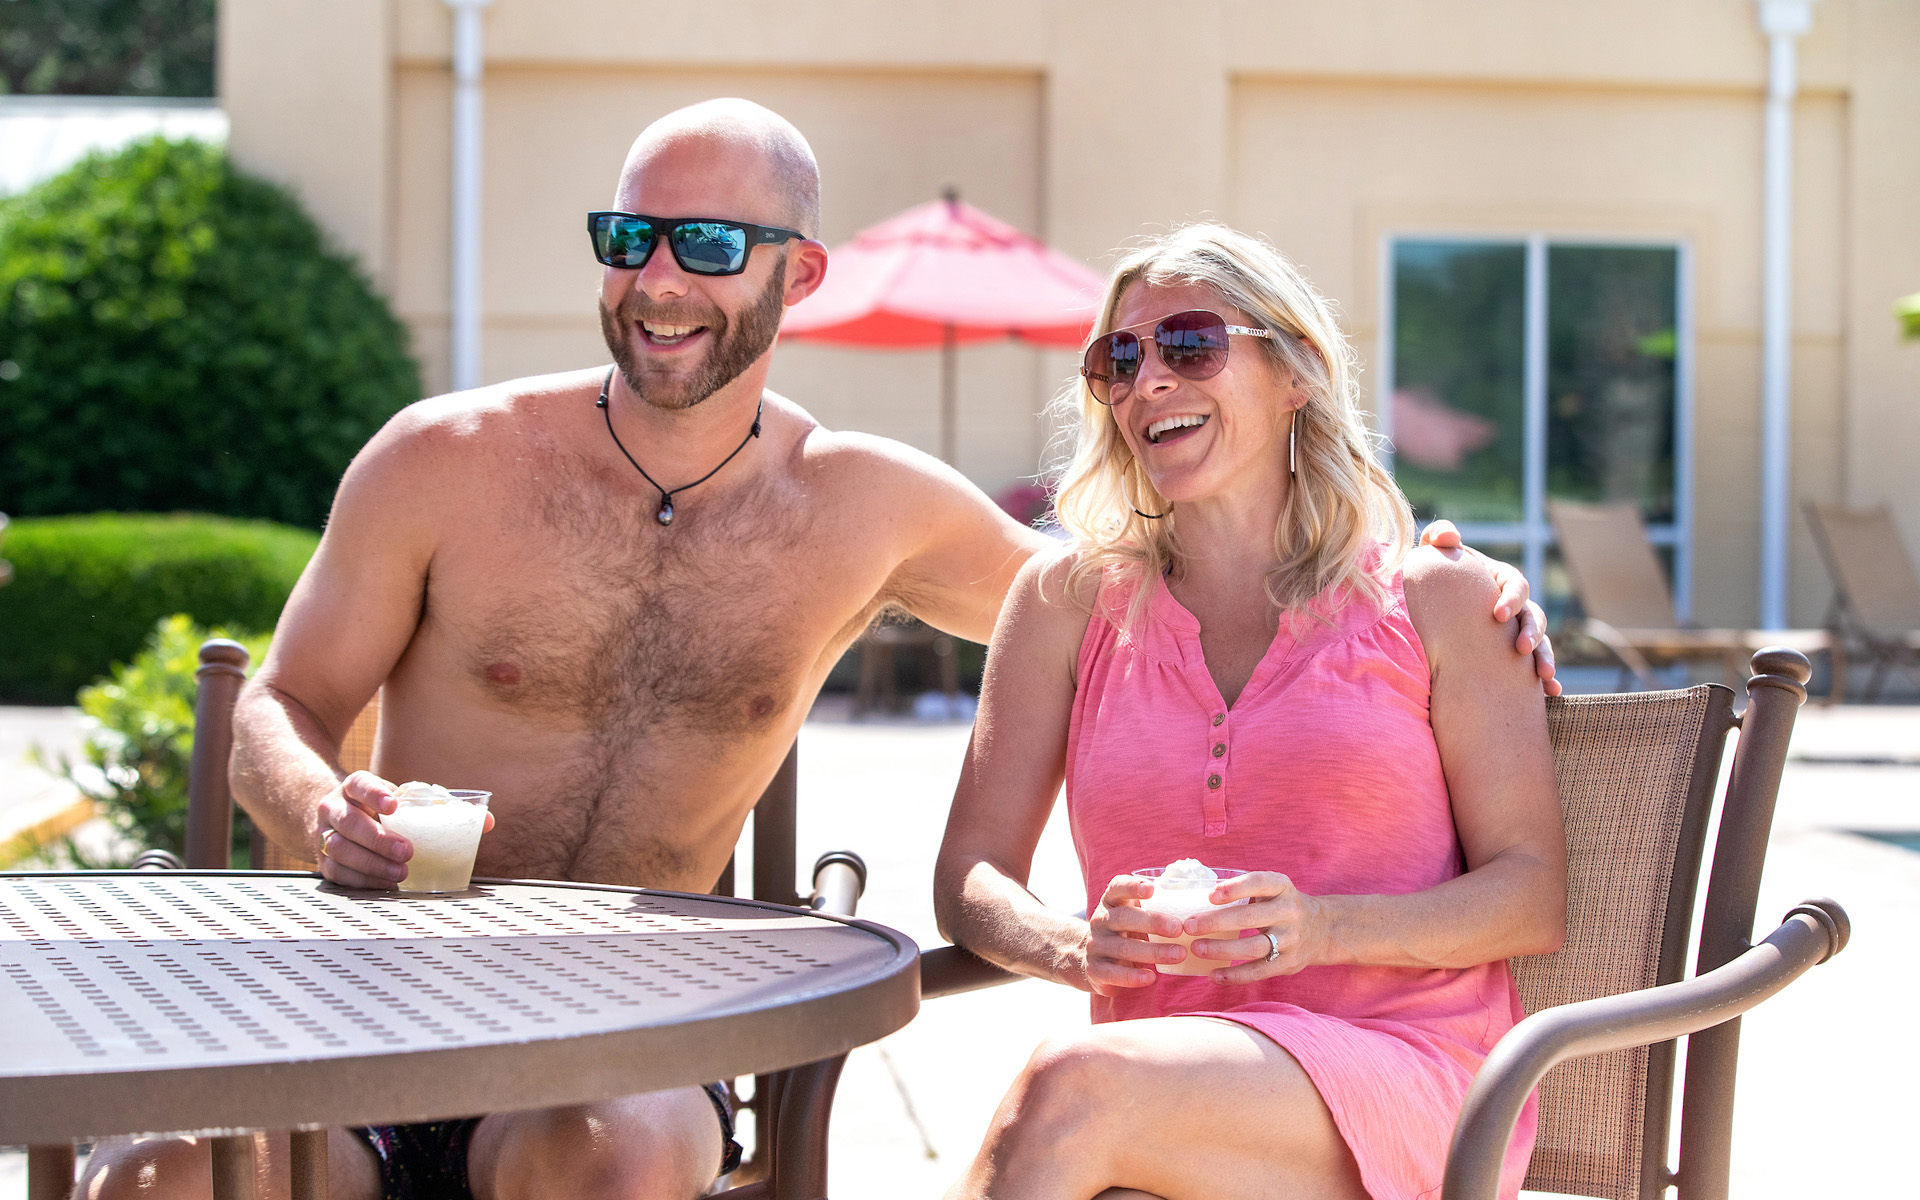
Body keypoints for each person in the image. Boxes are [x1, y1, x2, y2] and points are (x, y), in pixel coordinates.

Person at [82, 102, 1556, 1200]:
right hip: (384, 1011)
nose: (661, 280)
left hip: (629, 1036)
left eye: (711, 245)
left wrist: (1432, 575)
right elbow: (282, 703)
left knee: (604, 1157)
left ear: (800, 278)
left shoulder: (865, 507)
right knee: (158, 1177)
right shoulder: (441, 461)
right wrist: (319, 808)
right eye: (630, 240)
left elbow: (1187, 581)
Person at [934, 224, 1568, 1200]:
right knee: (1080, 1101)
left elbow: (1530, 898)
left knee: (1070, 1088)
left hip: (1405, 1073)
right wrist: (1070, 945)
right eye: (1119, 359)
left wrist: (1321, 929)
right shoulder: (1065, 604)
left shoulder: (1442, 598)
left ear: (1295, 373)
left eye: (1191, 344)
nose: (1148, 380)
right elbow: (971, 874)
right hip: (1167, 1091)